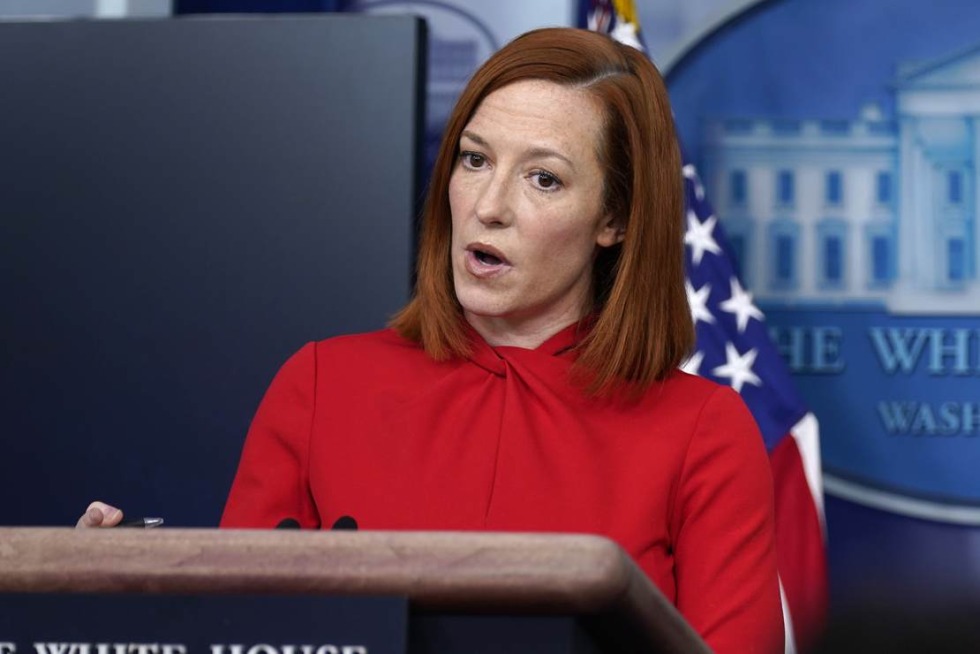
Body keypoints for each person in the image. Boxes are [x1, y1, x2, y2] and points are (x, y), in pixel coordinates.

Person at [79, 27, 783, 653]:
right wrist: (114, 601)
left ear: (615, 220)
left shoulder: (702, 432)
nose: (489, 206)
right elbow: (245, 637)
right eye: (474, 160)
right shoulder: (322, 385)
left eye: (543, 178)